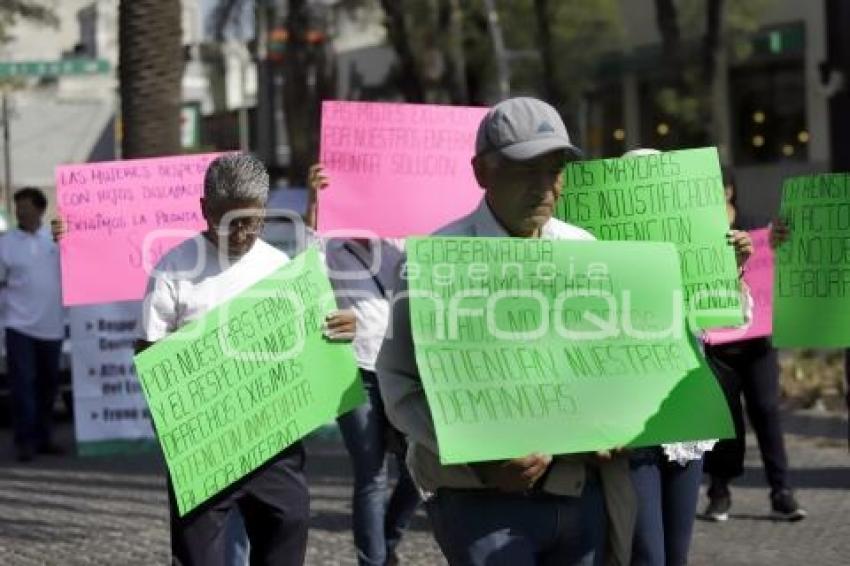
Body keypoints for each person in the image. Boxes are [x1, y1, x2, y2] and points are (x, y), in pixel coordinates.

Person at [376, 97, 636, 566]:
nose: (545, 186)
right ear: (482, 172)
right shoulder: (436, 261)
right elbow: (399, 385)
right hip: (478, 505)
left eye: (554, 168)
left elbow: (611, 369)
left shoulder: (586, 251)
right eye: (525, 169)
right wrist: (480, 457)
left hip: (578, 496)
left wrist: (616, 421)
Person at [137, 154, 310, 566]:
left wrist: (334, 332)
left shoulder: (279, 267)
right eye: (229, 222)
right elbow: (149, 352)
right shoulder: (172, 270)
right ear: (203, 210)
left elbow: (300, 347)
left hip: (272, 440)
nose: (242, 234)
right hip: (202, 445)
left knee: (290, 524)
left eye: (252, 222)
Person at [616, 152, 753, 565]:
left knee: (676, 555)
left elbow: (735, 318)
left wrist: (732, 268)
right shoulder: (599, 252)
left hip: (684, 413)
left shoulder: (692, 246)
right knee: (647, 555)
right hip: (630, 417)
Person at [305, 164, 421, 566]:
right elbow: (303, 280)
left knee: (420, 469)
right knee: (371, 476)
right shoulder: (328, 249)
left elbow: (422, 288)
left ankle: (388, 539)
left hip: (403, 369)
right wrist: (315, 203)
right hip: (354, 374)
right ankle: (373, 561)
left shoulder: (400, 244)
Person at [703, 175, 807, 522]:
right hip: (719, 347)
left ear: (730, 190)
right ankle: (719, 492)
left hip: (757, 343)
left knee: (766, 411)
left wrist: (782, 241)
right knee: (724, 420)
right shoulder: (698, 232)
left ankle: (782, 491)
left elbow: (784, 260)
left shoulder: (756, 226)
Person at [0, 187, 65, 462]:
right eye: (18, 208)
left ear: (40, 209)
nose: (21, 212)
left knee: (48, 385)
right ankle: (25, 441)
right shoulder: (5, 243)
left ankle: (43, 437)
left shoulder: (57, 242)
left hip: (52, 325)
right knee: (23, 385)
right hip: (18, 326)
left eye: (26, 207)